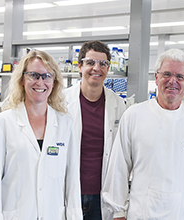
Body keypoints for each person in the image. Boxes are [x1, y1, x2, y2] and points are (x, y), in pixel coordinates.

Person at [102, 48, 184, 220]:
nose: (172, 81)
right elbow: (118, 168)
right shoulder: (134, 115)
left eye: (180, 77)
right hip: (141, 213)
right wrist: (118, 212)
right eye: (166, 74)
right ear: (156, 77)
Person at [0, 50, 82, 219]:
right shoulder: (2, 123)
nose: (40, 82)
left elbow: (73, 180)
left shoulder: (65, 124)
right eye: (34, 75)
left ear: (54, 82)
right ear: (22, 79)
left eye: (46, 76)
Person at [64, 40, 126, 220]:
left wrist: (119, 207)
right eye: (90, 62)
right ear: (80, 66)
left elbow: (121, 155)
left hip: (103, 194)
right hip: (69, 190)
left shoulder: (118, 104)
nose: (96, 68)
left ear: (108, 68)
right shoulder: (61, 101)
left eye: (103, 63)